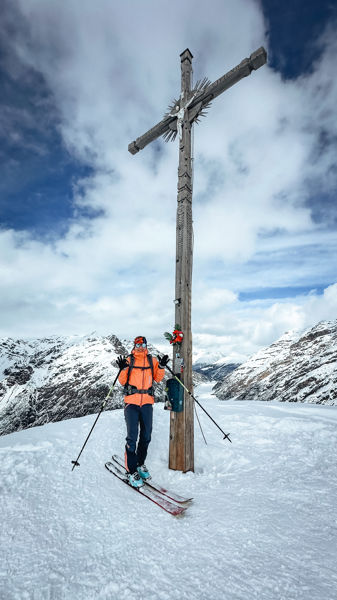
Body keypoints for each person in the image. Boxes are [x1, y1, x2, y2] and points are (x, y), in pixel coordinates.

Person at [116, 336, 169, 488]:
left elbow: (158, 379)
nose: (140, 346)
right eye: (138, 344)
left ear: (146, 345)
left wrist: (161, 366)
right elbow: (122, 381)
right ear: (134, 345)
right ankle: (131, 471)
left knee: (146, 436)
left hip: (147, 403)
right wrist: (123, 368)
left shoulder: (152, 360)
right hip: (131, 403)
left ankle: (140, 464)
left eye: (143, 344)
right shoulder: (129, 360)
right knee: (132, 437)